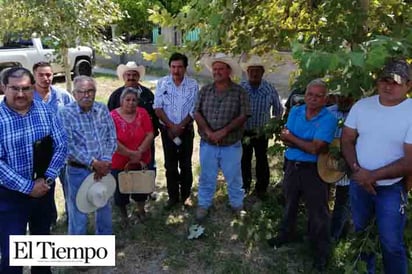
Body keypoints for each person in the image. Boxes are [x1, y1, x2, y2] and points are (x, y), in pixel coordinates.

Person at [341, 59, 412, 274]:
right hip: (359, 183)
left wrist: (370, 176)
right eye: (384, 80)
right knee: (362, 236)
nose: (388, 86)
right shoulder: (362, 106)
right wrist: (357, 170)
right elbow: (346, 140)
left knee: (391, 243)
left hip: (392, 187)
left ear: (408, 85)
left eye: (396, 82)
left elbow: (410, 161)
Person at [0, 67, 67, 274]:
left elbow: (61, 145)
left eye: (26, 88)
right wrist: (28, 187)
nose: (21, 94)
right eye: (15, 88)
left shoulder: (46, 110)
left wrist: (45, 180)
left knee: (41, 250)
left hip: (43, 192)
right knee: (12, 255)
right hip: (9, 197)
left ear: (33, 87)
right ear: (4, 88)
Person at [267, 79, 337, 271]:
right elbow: (285, 138)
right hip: (291, 165)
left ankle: (320, 252)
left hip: (314, 171)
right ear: (305, 95)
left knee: (318, 212)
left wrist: (293, 139)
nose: (313, 99)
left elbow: (316, 149)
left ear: (326, 99)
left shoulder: (328, 119)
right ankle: (286, 234)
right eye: (310, 95)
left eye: (318, 96)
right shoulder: (296, 111)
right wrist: (301, 142)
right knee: (289, 203)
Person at [194, 53, 250, 221]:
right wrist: (209, 132)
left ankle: (237, 205)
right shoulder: (205, 90)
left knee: (234, 177)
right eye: (215, 69)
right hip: (208, 143)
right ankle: (204, 204)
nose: (217, 72)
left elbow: (244, 115)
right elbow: (196, 112)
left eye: (220, 69)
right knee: (207, 176)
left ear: (229, 71)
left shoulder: (240, 92)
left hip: (231, 145)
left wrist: (224, 131)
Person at [59, 76, 117, 235]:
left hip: (103, 169)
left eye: (90, 91)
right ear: (74, 93)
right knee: (78, 212)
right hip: (78, 170)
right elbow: (67, 145)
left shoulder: (102, 109)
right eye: (82, 92)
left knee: (103, 204)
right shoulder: (65, 113)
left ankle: (104, 244)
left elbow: (111, 138)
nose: (87, 95)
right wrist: (93, 163)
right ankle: (78, 250)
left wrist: (104, 162)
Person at [154, 53, 199, 209]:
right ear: (170, 67)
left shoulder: (193, 85)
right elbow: (157, 107)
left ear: (185, 68)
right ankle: (173, 197)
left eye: (180, 67)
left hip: (186, 130)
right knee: (170, 165)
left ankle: (186, 196)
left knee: (186, 164)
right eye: (173, 66)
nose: (176, 70)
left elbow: (194, 109)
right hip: (168, 131)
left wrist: (181, 126)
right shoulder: (162, 83)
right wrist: (171, 126)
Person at [32, 61, 74, 226]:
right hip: (40, 151)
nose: (45, 78)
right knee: (45, 188)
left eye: (48, 74)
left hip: (64, 149)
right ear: (34, 76)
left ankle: (72, 217)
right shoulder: (28, 97)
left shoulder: (62, 96)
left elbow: (74, 117)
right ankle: (50, 219)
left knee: (69, 185)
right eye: (41, 75)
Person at [240, 56, 283, 197]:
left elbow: (278, 109)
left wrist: (273, 124)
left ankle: (262, 188)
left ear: (263, 72)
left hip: (262, 132)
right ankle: (244, 185)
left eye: (257, 71)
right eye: (251, 71)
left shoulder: (269, 89)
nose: (254, 73)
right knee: (244, 158)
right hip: (244, 131)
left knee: (261, 159)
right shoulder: (241, 88)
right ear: (247, 72)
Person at [110, 87, 154, 225]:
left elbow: (150, 134)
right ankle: (124, 216)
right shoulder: (111, 116)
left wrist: (139, 151)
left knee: (140, 187)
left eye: (134, 100)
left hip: (142, 158)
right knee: (120, 191)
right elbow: (112, 139)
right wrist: (130, 153)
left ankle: (141, 210)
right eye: (127, 99)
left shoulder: (143, 112)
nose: (131, 102)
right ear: (121, 101)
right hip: (120, 161)